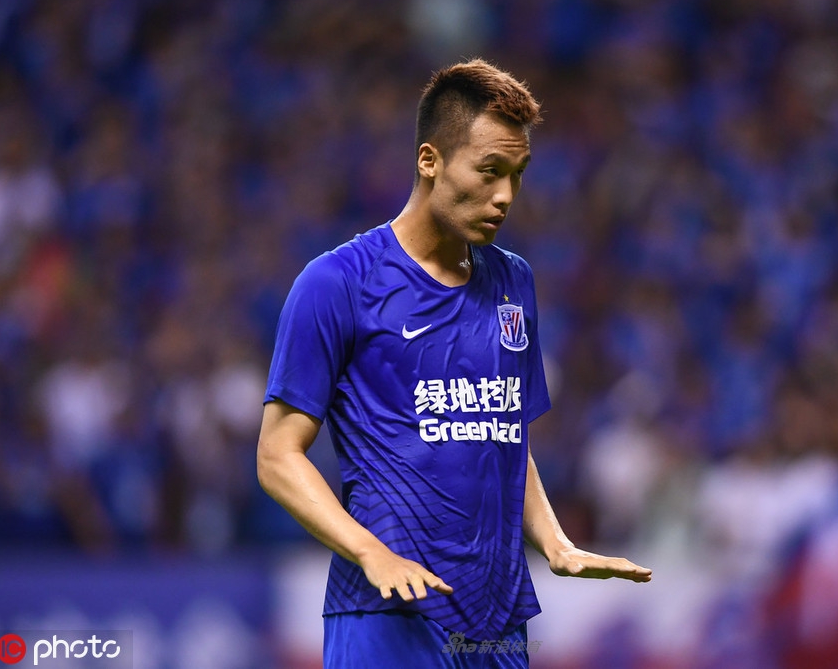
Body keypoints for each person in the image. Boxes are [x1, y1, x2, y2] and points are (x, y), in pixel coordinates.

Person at [257, 58, 652, 668]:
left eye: (517, 175)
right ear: (430, 161)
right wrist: (370, 553)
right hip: (388, 613)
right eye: (489, 171)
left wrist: (554, 542)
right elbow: (277, 456)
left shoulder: (513, 281)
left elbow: (500, 434)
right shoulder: (337, 282)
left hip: (497, 621)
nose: (505, 196)